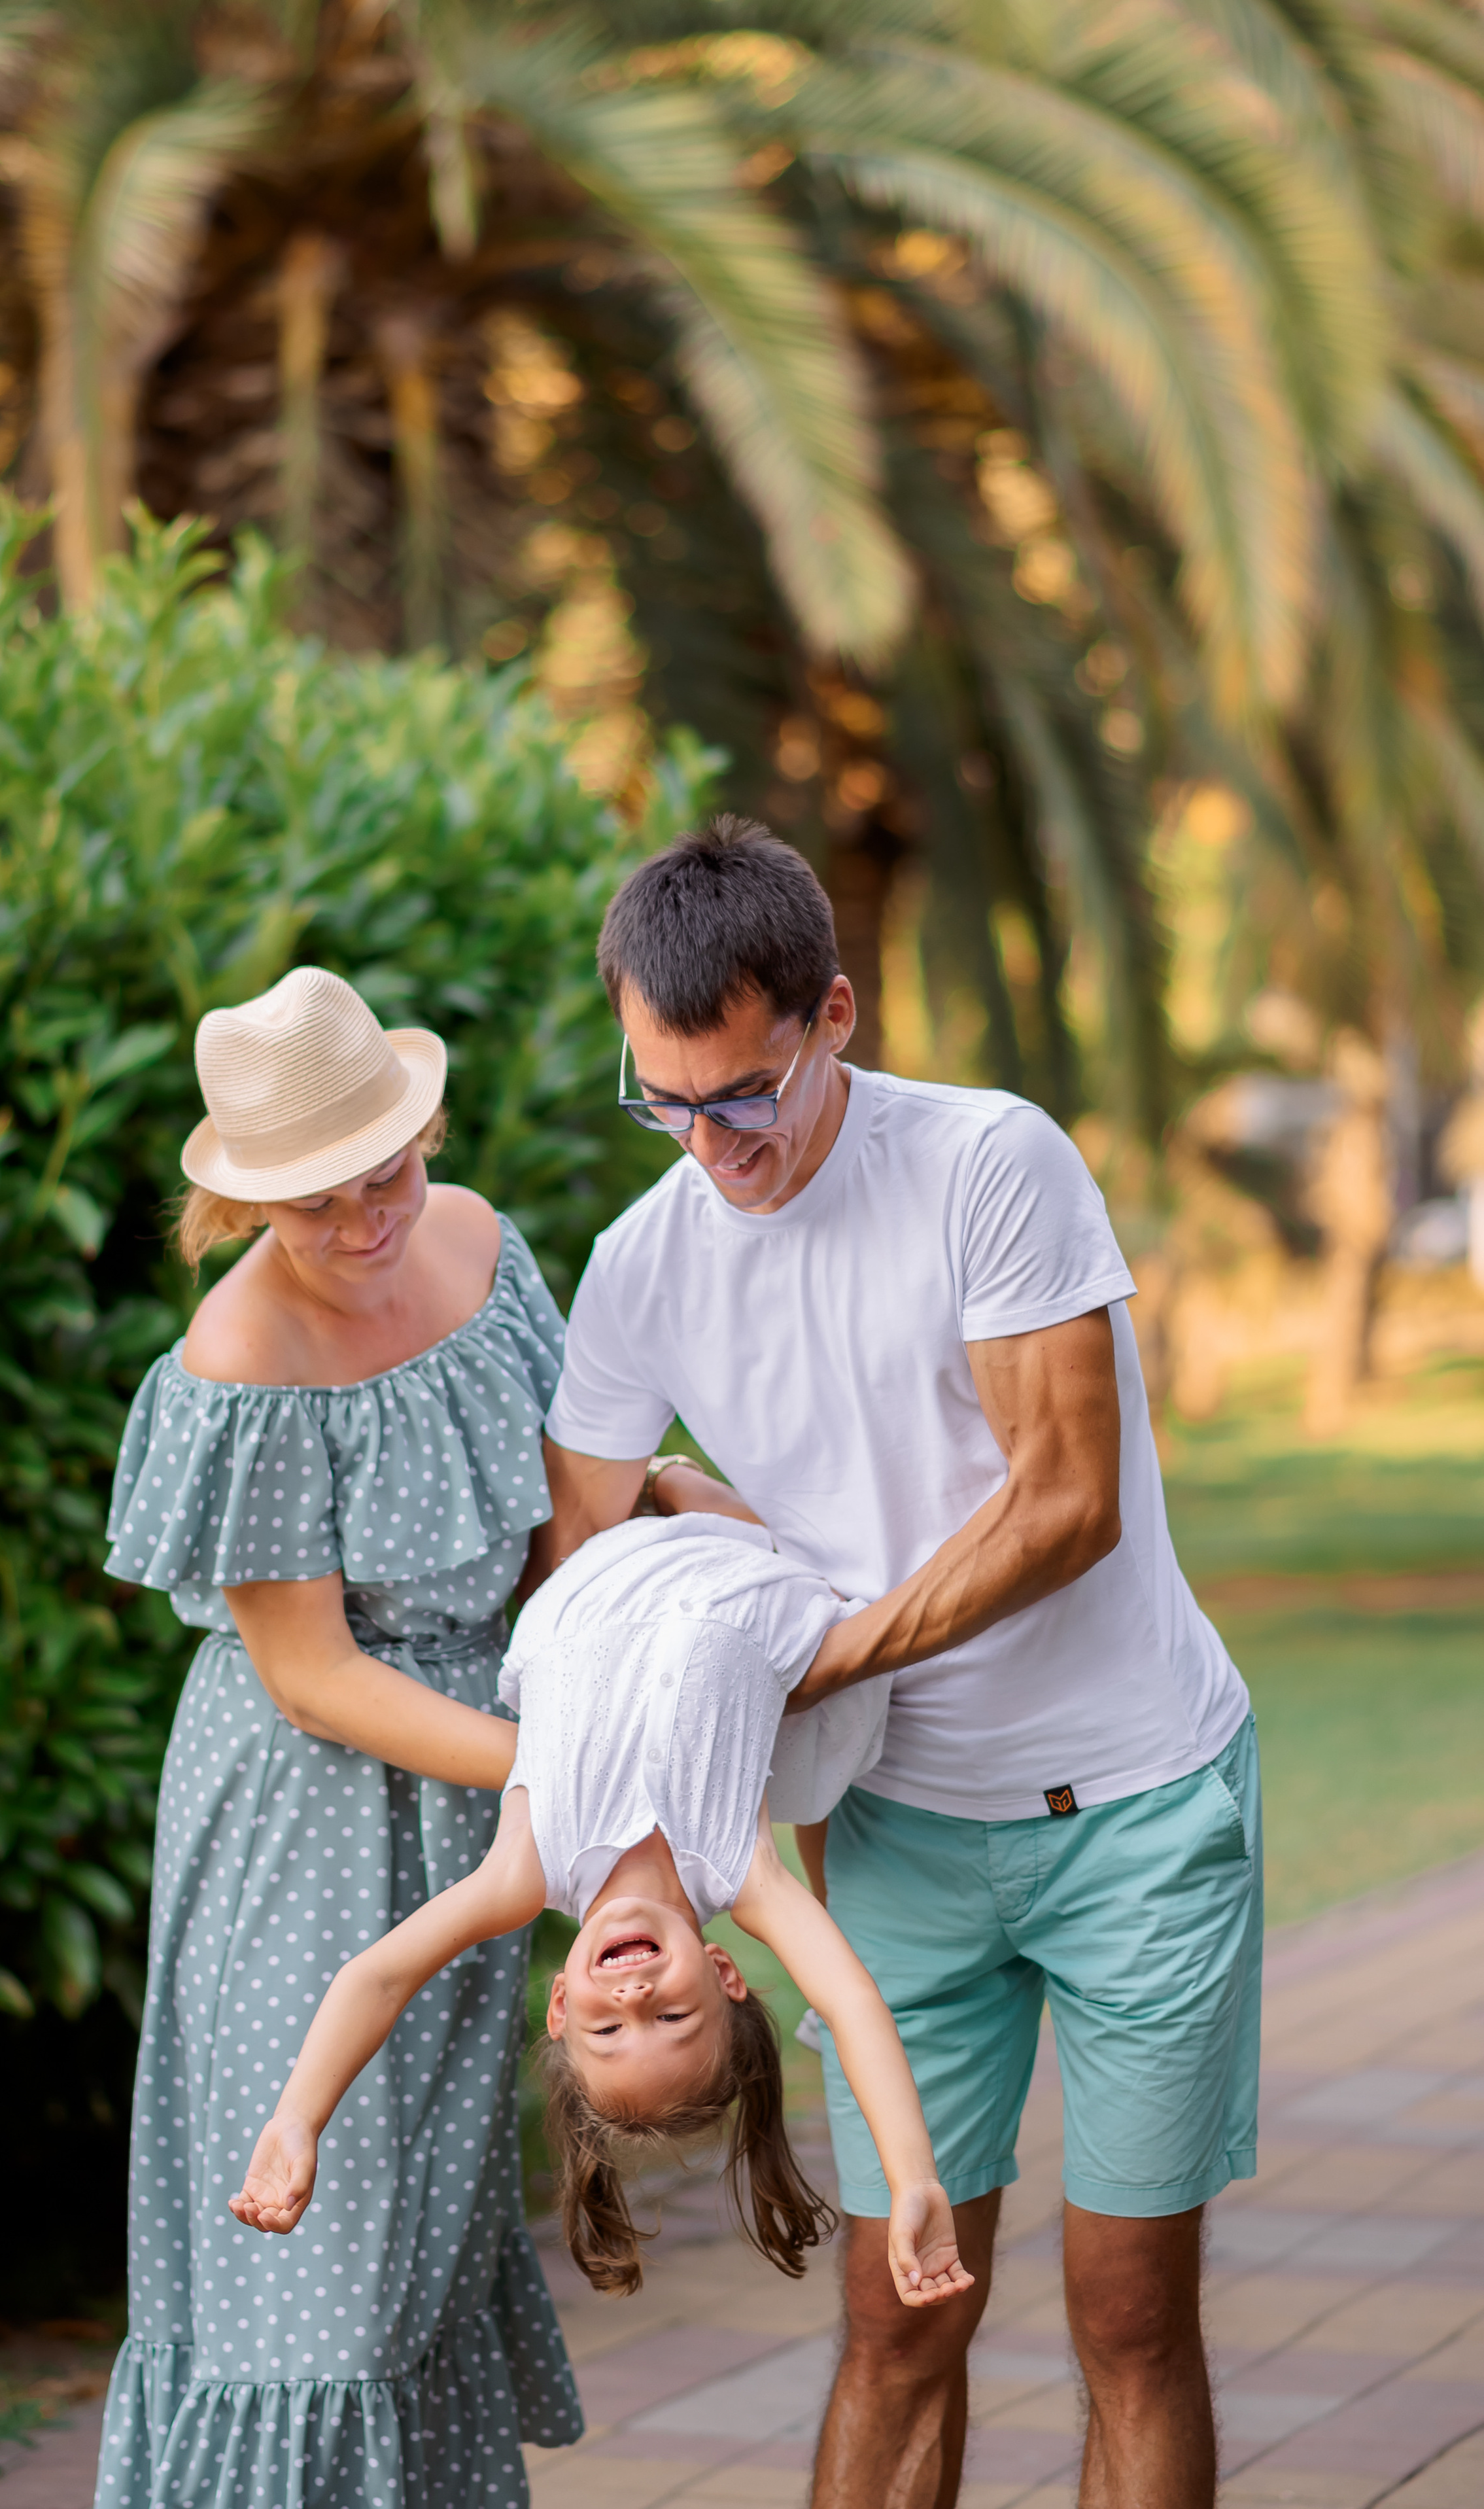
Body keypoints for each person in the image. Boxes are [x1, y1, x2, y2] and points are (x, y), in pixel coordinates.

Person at [542, 818, 1261, 2509]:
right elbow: (587, 1563)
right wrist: (694, 1516)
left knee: (1127, 2318)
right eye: (664, 1102)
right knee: (894, 2320)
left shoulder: (987, 1163)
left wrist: (807, 1657)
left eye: (745, 1094)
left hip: (1133, 1806)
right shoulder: (640, 1266)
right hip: (891, 1843)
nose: (710, 1144)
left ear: (835, 1015)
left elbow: (1064, 1497)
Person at [92, 966, 582, 2509]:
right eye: (316, 1201)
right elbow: (309, 1676)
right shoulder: (243, 1353)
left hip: (470, 1790)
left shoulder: (482, 1244)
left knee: (423, 2234)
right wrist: (551, 1766)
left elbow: (563, 1515)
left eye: (387, 1172)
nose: (367, 1218)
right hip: (303, 1821)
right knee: (324, 2264)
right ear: (248, 1201)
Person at [228, 1511, 972, 2316]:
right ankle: (700, 1496)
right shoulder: (742, 1869)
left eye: (608, 2028)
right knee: (832, 1574)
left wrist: (298, 2117)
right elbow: (853, 2002)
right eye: (673, 2017)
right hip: (746, 1568)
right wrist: (913, 2179)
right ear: (725, 1973)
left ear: (560, 2006)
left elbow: (379, 1976)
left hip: (603, 1566)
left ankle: (679, 1490)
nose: (635, 1998)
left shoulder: (527, 1868)